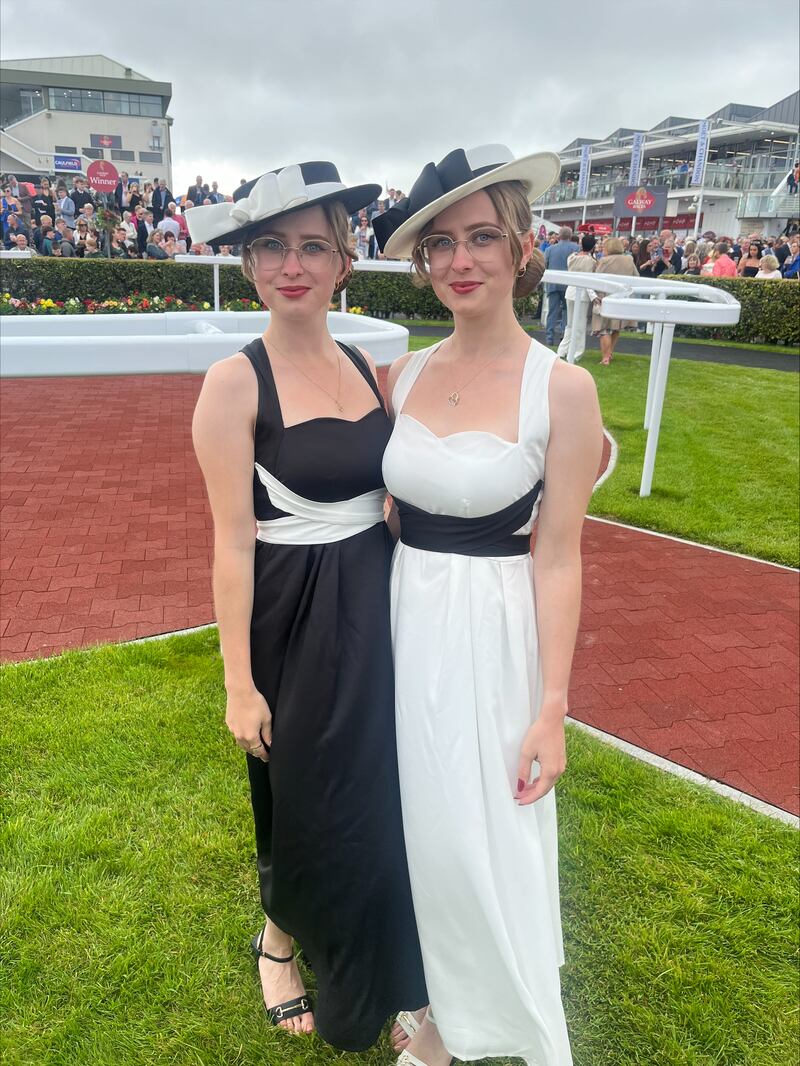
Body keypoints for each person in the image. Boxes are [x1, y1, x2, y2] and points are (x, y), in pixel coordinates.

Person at [188, 161, 427, 1051]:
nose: (293, 265)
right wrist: (238, 683)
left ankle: (379, 958)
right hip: (291, 616)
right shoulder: (233, 382)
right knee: (296, 790)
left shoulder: (367, 366)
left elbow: (390, 495)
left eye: (313, 247)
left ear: (343, 262)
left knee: (378, 789)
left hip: (378, 599)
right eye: (272, 247)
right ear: (249, 264)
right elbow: (231, 541)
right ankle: (279, 940)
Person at [373, 144, 601, 1066]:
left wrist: (552, 708)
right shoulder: (402, 377)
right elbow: (388, 516)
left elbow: (560, 556)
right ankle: (432, 1007)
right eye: (440, 244)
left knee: (484, 832)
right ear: (423, 262)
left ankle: (484, 1019)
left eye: (481, 238)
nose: (459, 260)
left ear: (520, 247)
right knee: (414, 826)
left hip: (495, 635)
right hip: (403, 623)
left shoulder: (564, 389)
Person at [590, 235, 639, 365]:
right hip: (622, 298)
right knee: (616, 327)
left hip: (605, 297)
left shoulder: (604, 261)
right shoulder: (629, 260)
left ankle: (605, 358)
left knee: (604, 329)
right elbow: (636, 277)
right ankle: (609, 353)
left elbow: (596, 279)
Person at [557, 233, 596, 361]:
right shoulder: (591, 261)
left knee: (570, 324)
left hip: (570, 292)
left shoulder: (572, 257)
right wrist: (594, 296)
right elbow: (588, 280)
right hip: (582, 294)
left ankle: (562, 350)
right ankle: (575, 353)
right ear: (593, 247)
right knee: (580, 325)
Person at [543, 226, 580, 345]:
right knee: (567, 311)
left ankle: (549, 337)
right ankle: (564, 335)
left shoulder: (549, 249)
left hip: (553, 283)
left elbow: (544, 265)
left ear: (559, 236)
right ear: (570, 236)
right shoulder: (576, 248)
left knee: (552, 311)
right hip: (569, 284)